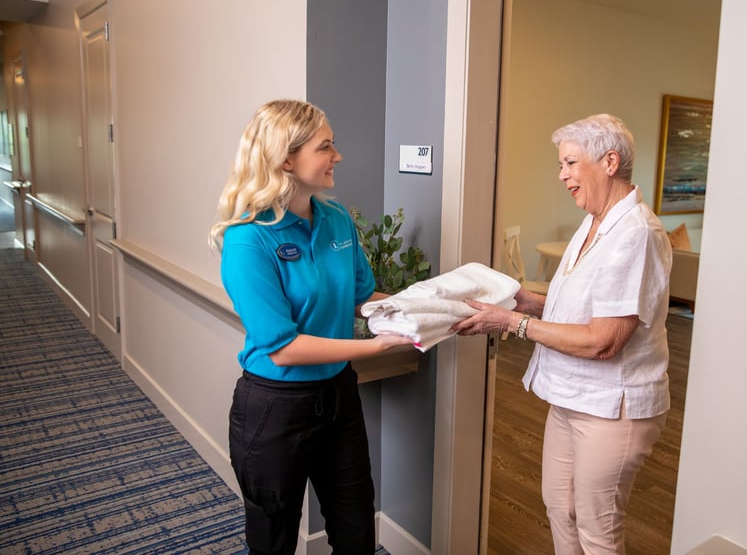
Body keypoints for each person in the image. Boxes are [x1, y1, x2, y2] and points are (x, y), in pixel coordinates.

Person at [452, 113, 671, 554]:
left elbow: (604, 339)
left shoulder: (636, 235)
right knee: (559, 506)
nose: (562, 175)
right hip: (570, 397)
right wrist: (518, 299)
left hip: (612, 407)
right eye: (561, 165)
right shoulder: (593, 223)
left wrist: (513, 323)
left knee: (596, 526)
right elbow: (575, 304)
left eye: (570, 163)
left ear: (609, 162)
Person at [209, 99, 412, 555]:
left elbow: (362, 299)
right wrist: (375, 349)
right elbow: (282, 347)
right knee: (274, 538)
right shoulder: (248, 239)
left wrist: (431, 305)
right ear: (286, 159)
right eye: (326, 147)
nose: (337, 156)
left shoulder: (337, 219)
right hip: (275, 408)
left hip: (338, 397)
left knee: (356, 526)